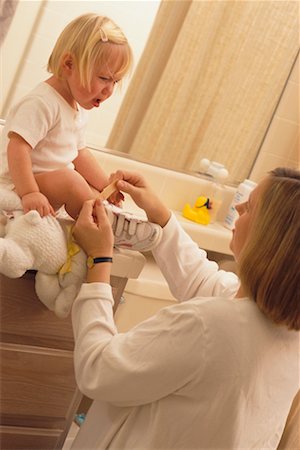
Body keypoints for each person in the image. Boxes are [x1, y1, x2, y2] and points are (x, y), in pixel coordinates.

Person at [71, 167, 299, 449]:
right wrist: (161, 216)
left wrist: (100, 261)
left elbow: (98, 369)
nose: (238, 207)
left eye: (250, 207)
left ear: (269, 240)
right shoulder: (286, 330)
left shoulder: (208, 326)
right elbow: (203, 280)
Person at [0, 13, 132, 219]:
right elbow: (17, 148)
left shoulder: (75, 107)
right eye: (104, 78)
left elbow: (80, 154)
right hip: (18, 185)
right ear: (69, 64)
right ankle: (104, 223)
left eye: (115, 82)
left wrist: (106, 186)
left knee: (91, 190)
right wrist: (30, 192)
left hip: (45, 184)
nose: (109, 90)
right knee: (73, 182)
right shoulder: (42, 102)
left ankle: (105, 218)